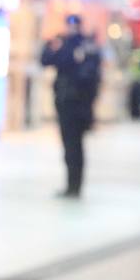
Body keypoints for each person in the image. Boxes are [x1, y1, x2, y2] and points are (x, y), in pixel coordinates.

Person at [40, 14, 101, 199]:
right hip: (64, 102)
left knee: (76, 146)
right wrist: (50, 43)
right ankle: (70, 185)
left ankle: (76, 185)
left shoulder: (87, 46)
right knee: (68, 145)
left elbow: (91, 76)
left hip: (80, 104)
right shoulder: (63, 43)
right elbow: (46, 60)